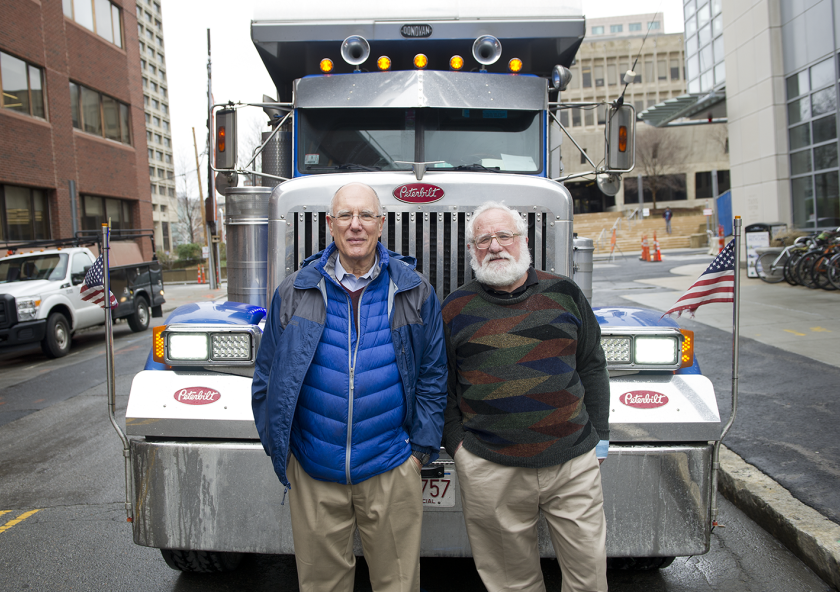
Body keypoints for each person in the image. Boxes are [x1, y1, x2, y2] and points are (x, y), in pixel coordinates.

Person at [252, 182, 447, 592]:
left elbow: (433, 374)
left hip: (391, 467)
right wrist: (283, 451)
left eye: (365, 216)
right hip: (314, 470)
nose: (355, 225)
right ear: (330, 224)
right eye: (345, 215)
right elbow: (267, 377)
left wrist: (419, 452)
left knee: (397, 584)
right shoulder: (293, 292)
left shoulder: (412, 291)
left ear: (381, 224)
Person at [442, 201, 610, 592]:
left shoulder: (565, 293)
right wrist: (459, 449)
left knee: (589, 580)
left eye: (504, 236)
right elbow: (442, 386)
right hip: (490, 467)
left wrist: (598, 440)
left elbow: (592, 366)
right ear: (472, 250)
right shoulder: (454, 309)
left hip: (572, 463)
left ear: (523, 241)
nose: (495, 246)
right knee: (512, 585)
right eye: (483, 239)